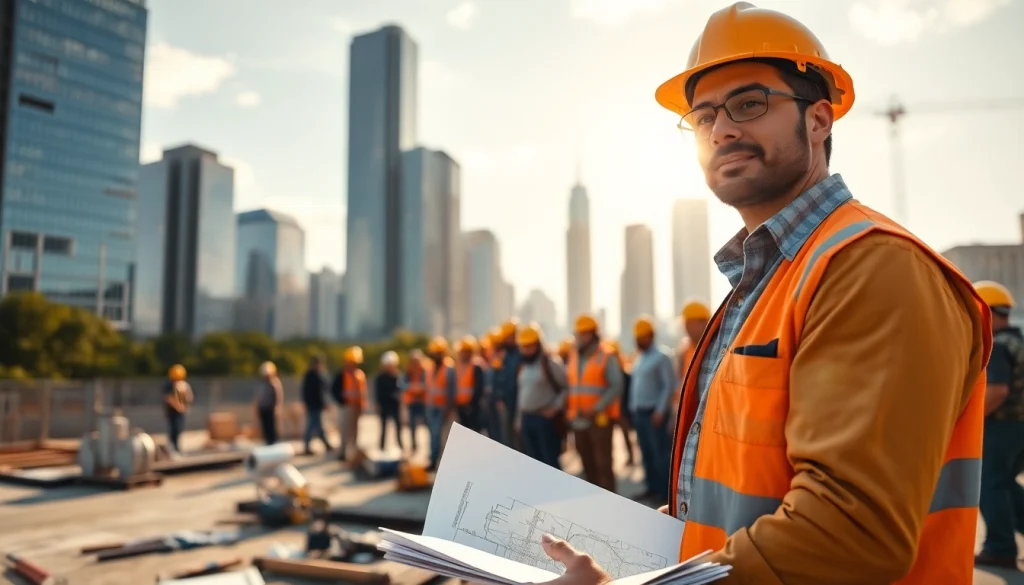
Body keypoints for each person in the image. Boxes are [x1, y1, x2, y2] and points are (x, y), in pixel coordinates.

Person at [537, 4, 990, 584]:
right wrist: (633, 558)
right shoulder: (769, 278)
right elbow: (737, 492)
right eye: (702, 117)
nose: (721, 129)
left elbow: (850, 533)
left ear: (820, 119)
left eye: (749, 104)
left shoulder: (873, 267)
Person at [975, 280, 1024, 569]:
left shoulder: (997, 346)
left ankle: (1000, 547)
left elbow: (997, 390)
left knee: (990, 484)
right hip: (1020, 428)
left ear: (988, 313)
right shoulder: (1018, 341)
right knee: (1004, 482)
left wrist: (966, 422)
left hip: (1003, 428)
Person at [566, 314, 624, 493]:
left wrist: (596, 408)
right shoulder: (574, 356)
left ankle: (612, 504)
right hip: (578, 420)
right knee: (587, 465)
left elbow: (617, 386)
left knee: (603, 466)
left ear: (593, 334)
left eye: (584, 334)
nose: (580, 338)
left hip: (600, 421)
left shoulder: (606, 356)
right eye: (579, 334)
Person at [627, 316, 676, 503]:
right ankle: (652, 487)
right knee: (646, 453)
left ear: (650, 336)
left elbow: (668, 385)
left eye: (642, 336)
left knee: (660, 455)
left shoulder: (661, 357)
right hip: (640, 414)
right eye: (637, 337)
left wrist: (660, 410)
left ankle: (665, 493)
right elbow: (635, 386)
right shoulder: (639, 359)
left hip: (654, 414)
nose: (638, 340)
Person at [514, 322, 568, 470]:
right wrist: (519, 419)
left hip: (544, 420)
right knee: (533, 463)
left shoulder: (550, 363)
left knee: (550, 462)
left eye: (529, 346)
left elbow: (565, 388)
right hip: (527, 419)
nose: (526, 350)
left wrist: (555, 408)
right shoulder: (523, 366)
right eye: (523, 346)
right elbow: (522, 393)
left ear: (538, 344)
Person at [425, 337, 457, 471]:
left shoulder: (449, 369)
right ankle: (433, 460)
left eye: (439, 353)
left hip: (442, 408)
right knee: (432, 435)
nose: (436, 356)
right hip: (431, 407)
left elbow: (451, 390)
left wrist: (448, 409)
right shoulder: (430, 368)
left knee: (439, 435)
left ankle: (438, 462)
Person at [491, 320, 523, 448]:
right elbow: (498, 379)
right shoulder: (502, 356)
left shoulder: (521, 355)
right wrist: (498, 398)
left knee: (519, 440)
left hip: (520, 403)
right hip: (506, 403)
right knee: (506, 438)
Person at [332, 346, 367, 460]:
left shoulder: (360, 374)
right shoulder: (341, 375)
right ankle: (343, 452)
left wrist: (362, 405)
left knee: (355, 430)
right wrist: (341, 401)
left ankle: (353, 452)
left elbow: (362, 392)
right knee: (345, 429)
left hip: (357, 406)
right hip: (346, 406)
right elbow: (334, 390)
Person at [300, 354, 333, 455]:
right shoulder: (312, 375)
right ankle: (308, 445)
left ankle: (325, 443)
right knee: (312, 425)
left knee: (318, 425)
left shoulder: (319, 375)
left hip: (317, 405)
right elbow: (310, 391)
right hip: (313, 405)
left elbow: (324, 390)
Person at [454, 336, 486, 431]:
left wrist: (472, 404)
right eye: (463, 351)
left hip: (473, 408)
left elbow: (478, 388)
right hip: (460, 406)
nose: (464, 354)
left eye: (467, 351)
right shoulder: (457, 366)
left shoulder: (476, 366)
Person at [403, 349, 431, 454]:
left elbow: (425, 385)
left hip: (422, 402)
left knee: (427, 425)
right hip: (412, 402)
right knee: (412, 425)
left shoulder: (424, 370)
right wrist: (415, 388)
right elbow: (404, 384)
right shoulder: (408, 371)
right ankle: (414, 445)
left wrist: (414, 388)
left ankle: (429, 447)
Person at [376, 350, 404, 452]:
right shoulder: (380, 378)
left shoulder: (398, 376)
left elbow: (401, 390)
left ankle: (401, 447)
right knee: (383, 428)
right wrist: (378, 405)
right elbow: (378, 393)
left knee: (398, 428)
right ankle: (381, 448)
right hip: (384, 405)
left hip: (394, 405)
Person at [162, 364, 193, 453]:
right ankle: (173, 448)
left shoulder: (183, 384)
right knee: (174, 428)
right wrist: (178, 406)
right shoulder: (168, 385)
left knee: (179, 428)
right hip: (172, 411)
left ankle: (176, 447)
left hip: (181, 410)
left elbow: (188, 396)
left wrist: (185, 406)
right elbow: (168, 398)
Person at [253, 361, 283, 445]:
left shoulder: (274, 383)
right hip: (263, 408)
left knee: (271, 427)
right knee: (265, 427)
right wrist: (257, 407)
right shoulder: (262, 383)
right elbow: (259, 396)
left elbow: (278, 396)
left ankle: (273, 442)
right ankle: (268, 442)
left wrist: (277, 408)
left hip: (270, 408)